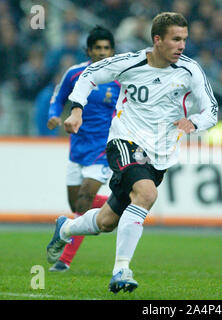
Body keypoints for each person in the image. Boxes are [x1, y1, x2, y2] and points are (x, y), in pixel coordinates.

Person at [46, 12, 218, 293]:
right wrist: (76, 109)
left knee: (106, 221)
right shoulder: (130, 62)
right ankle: (121, 270)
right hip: (124, 142)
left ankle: (65, 228)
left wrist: (195, 122)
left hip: (159, 154)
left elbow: (211, 109)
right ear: (157, 40)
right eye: (176, 39)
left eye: (184, 39)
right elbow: (89, 74)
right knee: (147, 194)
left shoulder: (191, 70)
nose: (182, 45)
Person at [46, 26, 120, 272]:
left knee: (84, 200)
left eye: (106, 48)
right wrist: (54, 116)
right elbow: (58, 98)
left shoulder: (120, 79)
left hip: (103, 148)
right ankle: (116, 204)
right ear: (89, 50)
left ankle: (64, 260)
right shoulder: (75, 73)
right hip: (77, 147)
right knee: (78, 206)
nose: (102, 52)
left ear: (112, 51)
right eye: (97, 48)